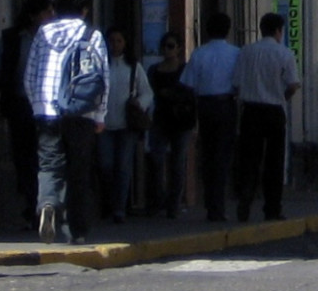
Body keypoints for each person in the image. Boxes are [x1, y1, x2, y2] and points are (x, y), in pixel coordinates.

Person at [23, 0, 107, 245]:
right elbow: (103, 77)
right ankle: (76, 230)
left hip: (47, 113)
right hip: (81, 113)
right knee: (78, 172)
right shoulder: (92, 34)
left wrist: (37, 105)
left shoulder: (44, 33)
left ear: (58, 9)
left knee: (49, 165)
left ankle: (48, 204)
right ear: (85, 10)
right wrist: (100, 115)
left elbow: (30, 75)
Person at [233, 12, 300, 222]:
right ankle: (272, 208)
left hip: (250, 111)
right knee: (274, 161)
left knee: (249, 159)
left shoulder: (246, 52)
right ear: (279, 31)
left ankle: (245, 199)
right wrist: (282, 97)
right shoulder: (285, 54)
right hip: (274, 111)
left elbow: (236, 83)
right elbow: (293, 84)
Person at [0, 0, 50, 228]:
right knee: (23, 157)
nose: (52, 18)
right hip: (19, 104)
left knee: (44, 156)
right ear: (33, 15)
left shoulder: (52, 39)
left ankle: (44, 204)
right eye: (47, 13)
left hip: (46, 106)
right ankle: (31, 204)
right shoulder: (12, 39)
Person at [183, 12, 242, 222]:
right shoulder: (236, 53)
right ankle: (218, 204)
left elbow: (188, 84)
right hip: (226, 105)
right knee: (223, 156)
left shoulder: (199, 54)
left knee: (208, 156)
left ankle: (211, 203)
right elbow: (239, 83)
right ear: (228, 30)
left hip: (205, 106)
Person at [96, 28, 150, 223]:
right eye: (112, 41)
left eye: (119, 41)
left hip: (127, 124)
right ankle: (107, 204)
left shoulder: (134, 67)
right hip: (104, 124)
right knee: (106, 165)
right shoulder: (100, 66)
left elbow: (147, 92)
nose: (115, 45)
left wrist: (139, 103)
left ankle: (119, 208)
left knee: (123, 166)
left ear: (125, 43)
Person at [145, 32, 197, 218]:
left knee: (177, 163)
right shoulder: (153, 70)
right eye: (165, 46)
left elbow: (192, 95)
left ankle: (173, 203)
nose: (167, 50)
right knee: (157, 160)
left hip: (181, 121)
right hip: (159, 119)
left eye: (171, 46)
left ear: (179, 49)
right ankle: (157, 200)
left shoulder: (185, 70)